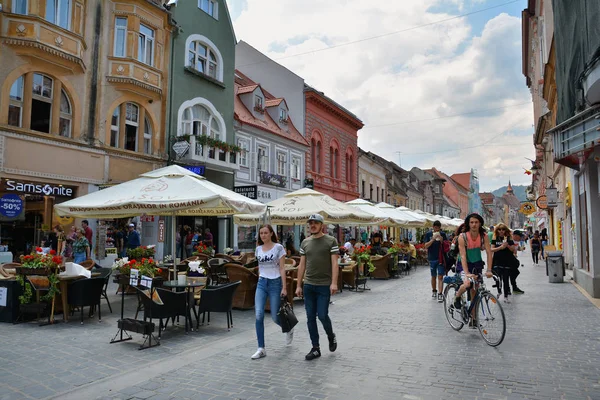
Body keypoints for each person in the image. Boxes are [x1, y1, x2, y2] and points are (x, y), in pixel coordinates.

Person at [295, 214, 339, 361]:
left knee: (322, 315)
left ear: (322, 225)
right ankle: (316, 348)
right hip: (308, 285)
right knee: (310, 318)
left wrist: (334, 282)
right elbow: (301, 265)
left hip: (324, 285)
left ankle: (330, 335)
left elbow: (334, 263)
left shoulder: (331, 241)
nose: (312, 225)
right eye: (310, 223)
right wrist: (298, 285)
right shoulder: (305, 242)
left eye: (315, 223)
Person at [251, 225, 293, 359]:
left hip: (275, 283)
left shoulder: (278, 248)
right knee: (258, 315)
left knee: (275, 316)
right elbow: (260, 267)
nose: (263, 235)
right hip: (262, 283)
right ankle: (261, 348)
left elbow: (282, 268)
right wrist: (260, 278)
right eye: (261, 233)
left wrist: (284, 287)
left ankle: (288, 328)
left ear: (271, 234)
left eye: (265, 233)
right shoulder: (258, 249)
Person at [453, 213, 493, 327]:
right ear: (468, 224)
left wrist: (489, 269)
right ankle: (457, 296)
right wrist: (466, 273)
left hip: (477, 263)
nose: (474, 224)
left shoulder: (483, 235)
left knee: (475, 291)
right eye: (471, 222)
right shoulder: (463, 237)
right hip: (464, 264)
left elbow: (489, 252)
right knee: (467, 284)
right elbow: (463, 256)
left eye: (476, 222)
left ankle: (474, 319)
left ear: (480, 223)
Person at [490, 224, 519, 303]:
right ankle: (499, 291)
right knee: (497, 277)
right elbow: (491, 249)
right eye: (499, 229)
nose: (501, 231)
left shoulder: (509, 238)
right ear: (497, 230)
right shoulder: (495, 238)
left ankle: (506, 296)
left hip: (507, 261)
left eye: (503, 229)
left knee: (506, 279)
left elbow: (513, 250)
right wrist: (500, 247)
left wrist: (508, 246)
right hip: (497, 261)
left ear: (506, 230)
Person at [424, 221, 447, 302]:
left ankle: (440, 294)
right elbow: (426, 246)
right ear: (433, 227)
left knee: (440, 276)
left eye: (438, 228)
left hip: (440, 258)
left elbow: (446, 245)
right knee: (433, 276)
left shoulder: (443, 234)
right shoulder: (428, 234)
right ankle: (434, 290)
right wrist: (433, 239)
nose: (437, 229)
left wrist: (442, 241)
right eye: (435, 227)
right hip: (432, 258)